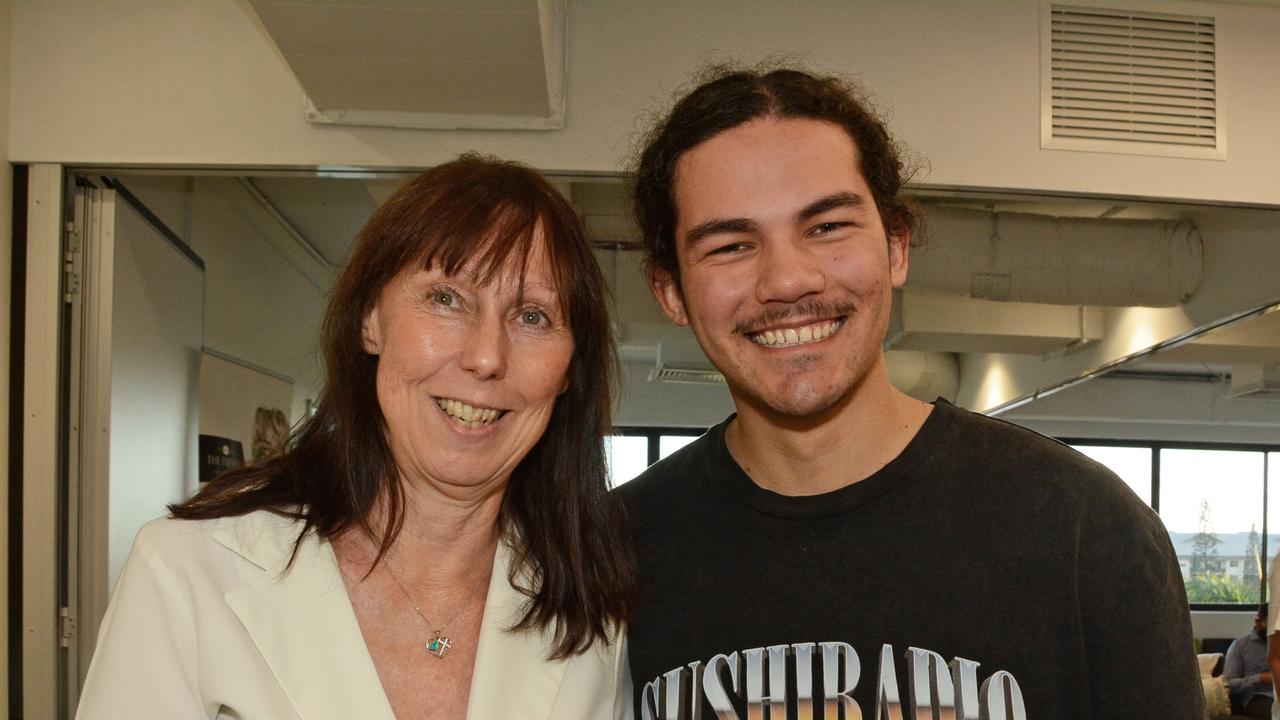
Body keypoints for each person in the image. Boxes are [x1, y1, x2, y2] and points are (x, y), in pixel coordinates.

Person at [619, 66, 1203, 719]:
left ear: (896, 246)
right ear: (670, 291)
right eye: (730, 244)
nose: (786, 279)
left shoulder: (1085, 530)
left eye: (828, 227)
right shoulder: (609, 557)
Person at [77, 156, 634, 719]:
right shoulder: (187, 571)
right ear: (371, 319)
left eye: (533, 316)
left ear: (567, 371)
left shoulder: (589, 612)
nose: (487, 356)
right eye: (446, 299)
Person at [1224, 604, 1274, 718]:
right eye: (1272, 626)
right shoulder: (1240, 645)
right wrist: (1259, 678)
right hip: (1258, 698)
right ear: (1257, 621)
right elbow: (1228, 684)